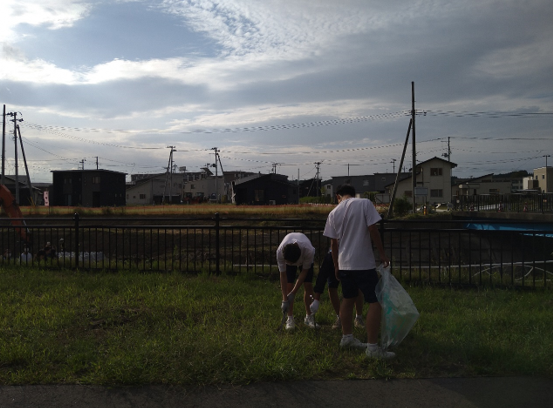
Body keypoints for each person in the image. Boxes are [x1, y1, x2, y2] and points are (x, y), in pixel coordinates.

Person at [323, 184, 394, 359]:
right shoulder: (364, 204)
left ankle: (347, 337)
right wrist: (382, 254)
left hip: (344, 263)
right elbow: (372, 229)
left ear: (338, 196)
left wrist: (336, 265)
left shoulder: (333, 213)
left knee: (348, 299)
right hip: (363, 263)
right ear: (353, 194)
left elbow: (333, 244)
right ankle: (372, 348)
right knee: (374, 301)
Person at [310, 249, 365, 330]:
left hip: (350, 255)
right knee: (332, 286)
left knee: (356, 286)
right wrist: (316, 300)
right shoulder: (329, 258)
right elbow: (322, 276)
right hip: (335, 256)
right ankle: (340, 317)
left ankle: (358, 317)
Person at [276, 232, 318, 330]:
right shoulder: (280, 252)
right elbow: (283, 276)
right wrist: (285, 299)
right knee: (289, 285)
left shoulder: (309, 251)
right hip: (291, 255)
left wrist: (294, 293)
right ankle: (290, 318)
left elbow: (304, 272)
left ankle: (309, 317)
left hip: (305, 259)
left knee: (308, 285)